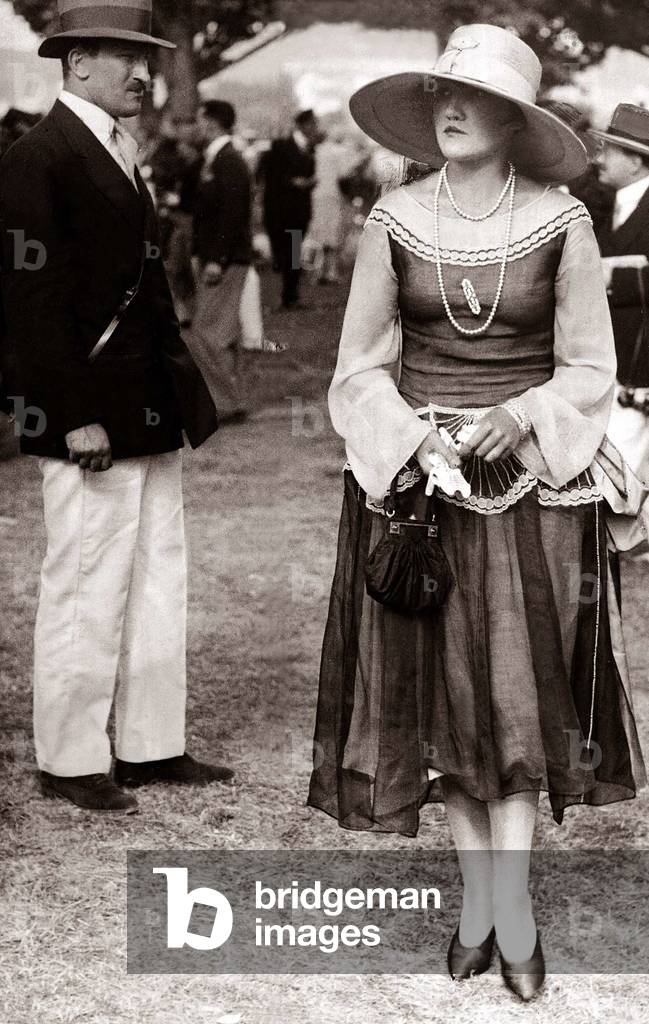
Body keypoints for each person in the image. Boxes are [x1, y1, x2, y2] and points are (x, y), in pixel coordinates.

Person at [307, 23, 646, 1002]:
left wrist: (523, 410)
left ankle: (518, 910)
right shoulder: (391, 217)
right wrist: (412, 438)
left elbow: (589, 367)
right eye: (440, 95)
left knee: (518, 698)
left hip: (534, 487)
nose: (449, 109)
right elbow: (357, 367)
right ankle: (474, 908)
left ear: (514, 119)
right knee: (446, 697)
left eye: (472, 97)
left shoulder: (562, 221)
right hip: (420, 491)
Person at [0, 0, 234, 814]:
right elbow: (31, 301)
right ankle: (68, 757)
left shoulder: (113, 145)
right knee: (86, 579)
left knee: (157, 575)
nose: (145, 73)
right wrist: (69, 414)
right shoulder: (41, 156)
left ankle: (148, 744)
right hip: (88, 412)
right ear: (76, 64)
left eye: (147, 58)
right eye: (124, 57)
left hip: (145, 403)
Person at [592, 104, 649, 481]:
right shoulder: (602, 207)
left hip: (639, 377)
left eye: (609, 149)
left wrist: (609, 275)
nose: (599, 158)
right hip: (608, 374)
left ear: (635, 160)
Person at [189, 99, 253, 423]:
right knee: (222, 331)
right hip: (224, 258)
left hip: (224, 261)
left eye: (199, 122)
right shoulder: (220, 159)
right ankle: (229, 400)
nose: (195, 128)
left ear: (212, 123)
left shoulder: (228, 162)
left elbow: (232, 214)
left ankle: (225, 403)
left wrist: (216, 258)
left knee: (209, 332)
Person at [261, 109, 322, 309]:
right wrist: (294, 183)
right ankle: (288, 293)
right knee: (284, 253)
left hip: (298, 213)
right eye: (312, 124)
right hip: (280, 211)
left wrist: (307, 183)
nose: (315, 128)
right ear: (303, 125)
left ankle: (290, 294)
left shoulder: (309, 149)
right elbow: (270, 175)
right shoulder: (281, 146)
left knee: (294, 253)